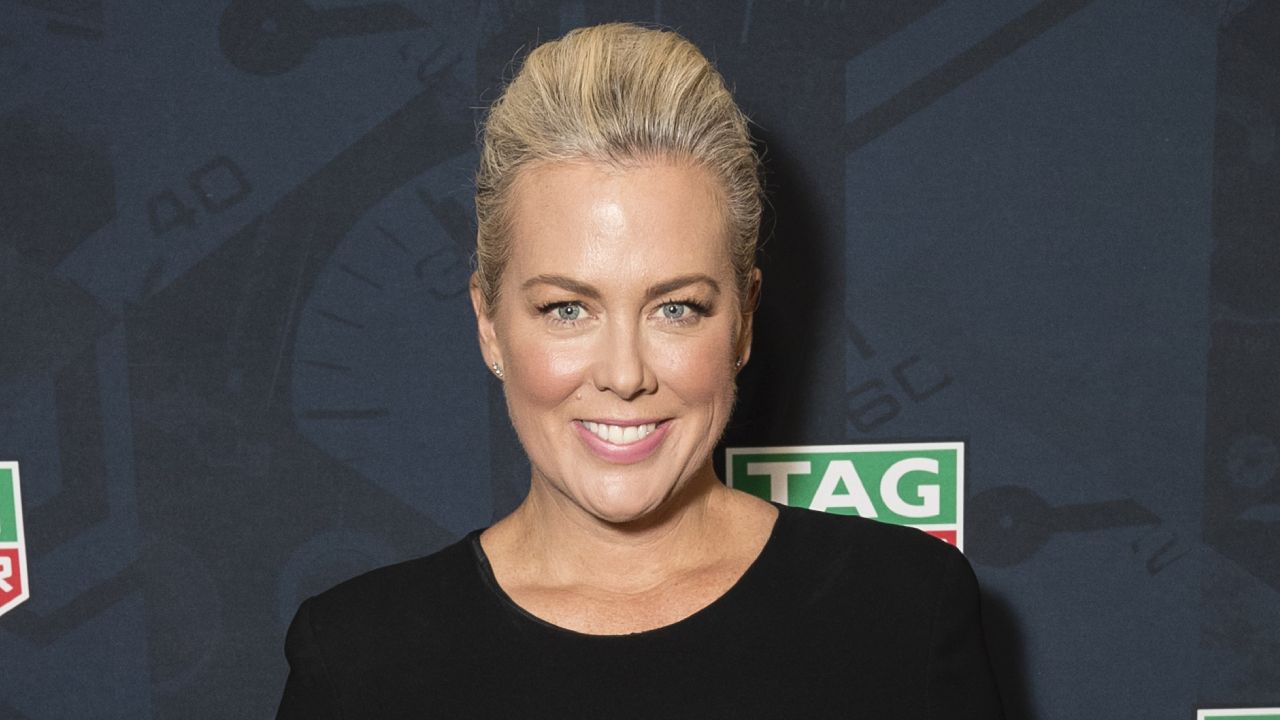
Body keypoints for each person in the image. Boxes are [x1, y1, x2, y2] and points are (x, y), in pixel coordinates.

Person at [277, 22, 1005, 719]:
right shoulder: (358, 658)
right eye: (567, 309)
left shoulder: (902, 609)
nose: (624, 375)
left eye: (676, 308)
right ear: (489, 323)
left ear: (744, 320)